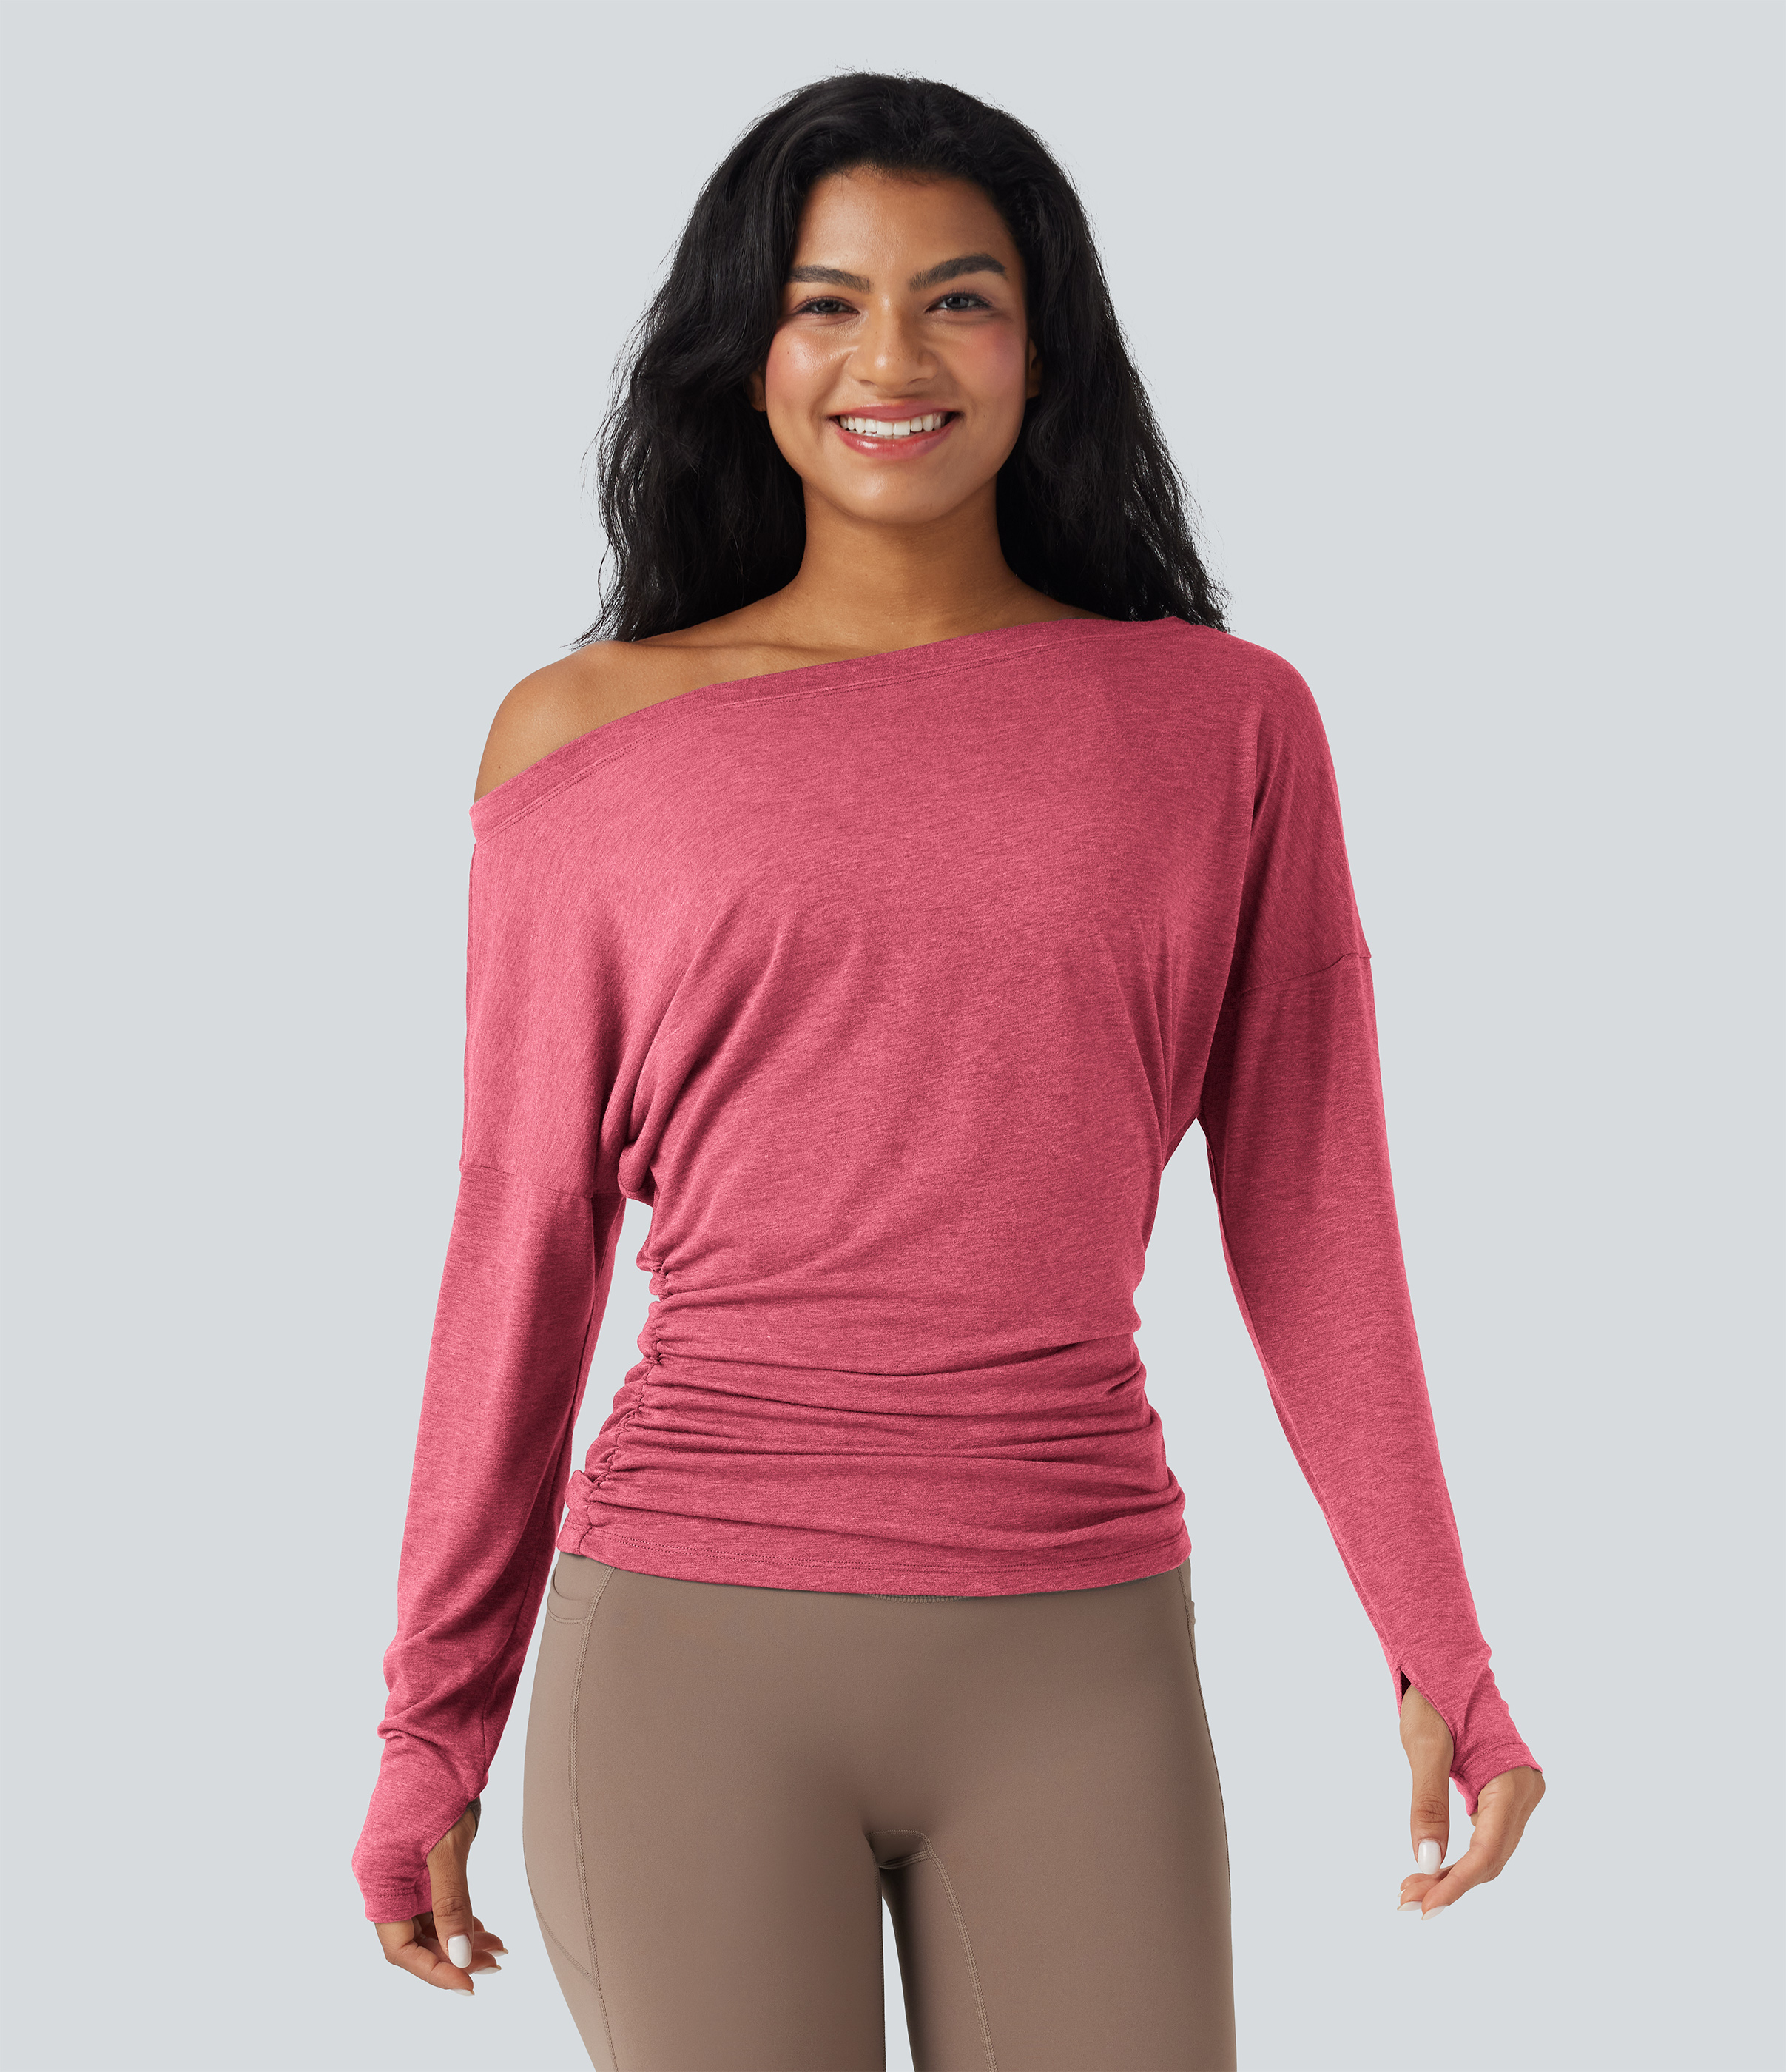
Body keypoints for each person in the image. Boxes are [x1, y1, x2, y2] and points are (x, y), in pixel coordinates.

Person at [351, 72, 1545, 2072]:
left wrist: (1441, 1640)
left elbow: (1316, 1212)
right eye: (824, 303)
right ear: (746, 352)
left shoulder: (1226, 727)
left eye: (958, 300)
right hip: (689, 1657)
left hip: (1080, 1649)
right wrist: (430, 1725)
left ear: (1043, 347)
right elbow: (522, 1243)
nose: (889, 359)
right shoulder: (583, 739)